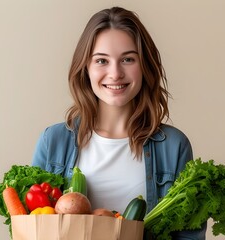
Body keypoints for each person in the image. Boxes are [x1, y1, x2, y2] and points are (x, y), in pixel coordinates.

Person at [32, 6, 207, 239]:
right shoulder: (53, 141)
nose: (115, 73)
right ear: (86, 68)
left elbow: (188, 236)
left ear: (144, 66)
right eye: (102, 61)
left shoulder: (173, 146)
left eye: (127, 59)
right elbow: (32, 225)